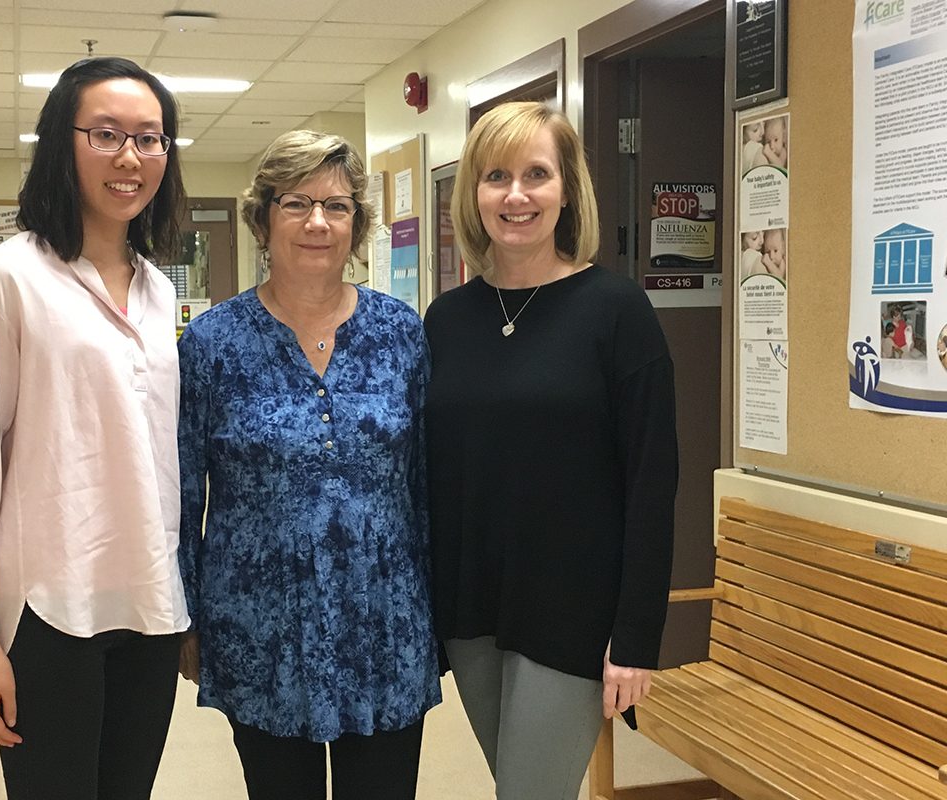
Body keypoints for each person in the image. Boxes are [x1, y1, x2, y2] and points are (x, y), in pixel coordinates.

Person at [0, 57, 189, 799]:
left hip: (149, 605)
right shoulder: (7, 280)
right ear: (61, 143)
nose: (130, 157)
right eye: (105, 134)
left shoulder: (157, 288)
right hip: (48, 611)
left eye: (149, 138)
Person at [423, 101, 679, 800]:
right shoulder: (447, 319)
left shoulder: (617, 311)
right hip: (471, 609)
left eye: (536, 174)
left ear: (567, 189)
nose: (517, 195)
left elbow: (652, 482)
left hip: (573, 610)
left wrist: (636, 636)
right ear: (473, 194)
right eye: (496, 176)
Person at [177, 130, 441, 800]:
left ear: (357, 224)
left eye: (337, 206)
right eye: (296, 203)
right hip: (261, 627)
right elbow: (181, 493)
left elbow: (426, 486)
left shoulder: (401, 333)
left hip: (384, 623)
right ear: (263, 219)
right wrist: (187, 616)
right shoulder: (212, 343)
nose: (317, 222)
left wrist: (441, 608)